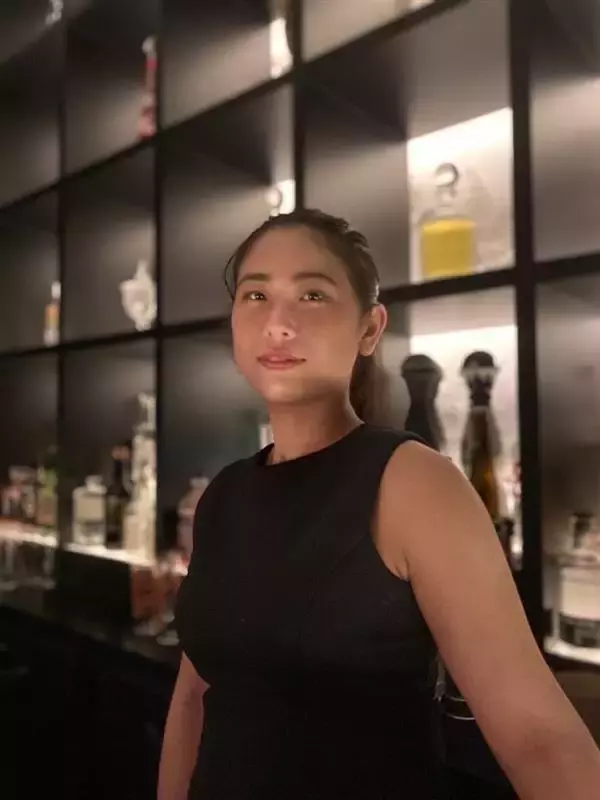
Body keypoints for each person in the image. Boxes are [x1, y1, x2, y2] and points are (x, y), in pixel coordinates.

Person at [158, 209, 600, 800]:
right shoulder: (224, 494)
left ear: (370, 329)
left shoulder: (415, 483)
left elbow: (540, 739)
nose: (278, 323)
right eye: (256, 295)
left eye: (312, 294)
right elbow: (195, 695)